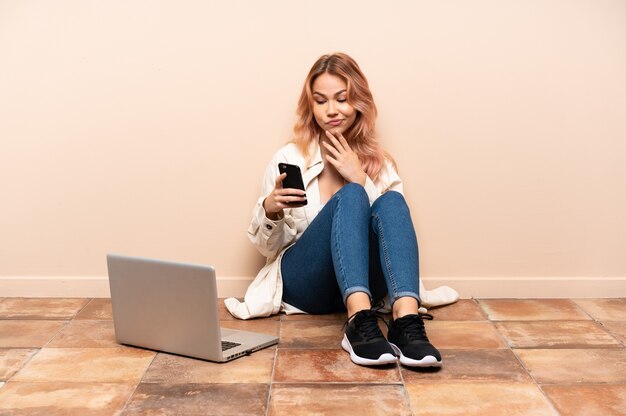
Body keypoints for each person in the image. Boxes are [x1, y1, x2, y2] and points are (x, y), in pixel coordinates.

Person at [225, 52, 451, 368]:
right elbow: (269, 249)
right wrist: (270, 211)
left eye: (342, 99)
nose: (332, 110)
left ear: (358, 101)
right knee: (351, 196)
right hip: (307, 284)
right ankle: (358, 321)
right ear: (311, 106)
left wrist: (358, 176)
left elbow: (393, 237)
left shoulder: (379, 162)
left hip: (368, 284)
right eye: (321, 101)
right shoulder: (289, 157)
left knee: (392, 201)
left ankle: (406, 323)